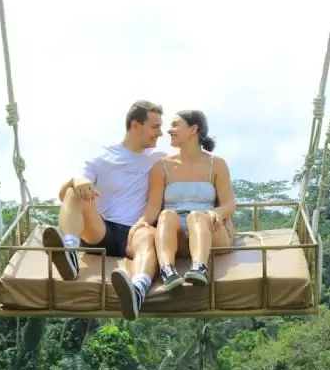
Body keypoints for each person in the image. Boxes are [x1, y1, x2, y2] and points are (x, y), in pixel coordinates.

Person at [40, 99, 167, 320]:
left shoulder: (160, 159)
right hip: (102, 230)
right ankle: (69, 252)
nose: (160, 133)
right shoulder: (102, 157)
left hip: (135, 232)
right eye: (155, 126)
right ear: (136, 125)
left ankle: (138, 290)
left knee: (148, 234)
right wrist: (76, 180)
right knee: (73, 191)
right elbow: (65, 195)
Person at [134, 109, 237, 291]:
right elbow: (153, 208)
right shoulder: (161, 167)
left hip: (209, 230)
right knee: (166, 215)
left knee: (197, 216)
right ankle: (167, 270)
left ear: (193, 129)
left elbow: (229, 205)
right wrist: (140, 224)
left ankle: (199, 267)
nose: (169, 130)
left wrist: (215, 213)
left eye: (175, 125)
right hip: (178, 236)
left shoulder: (217, 164)